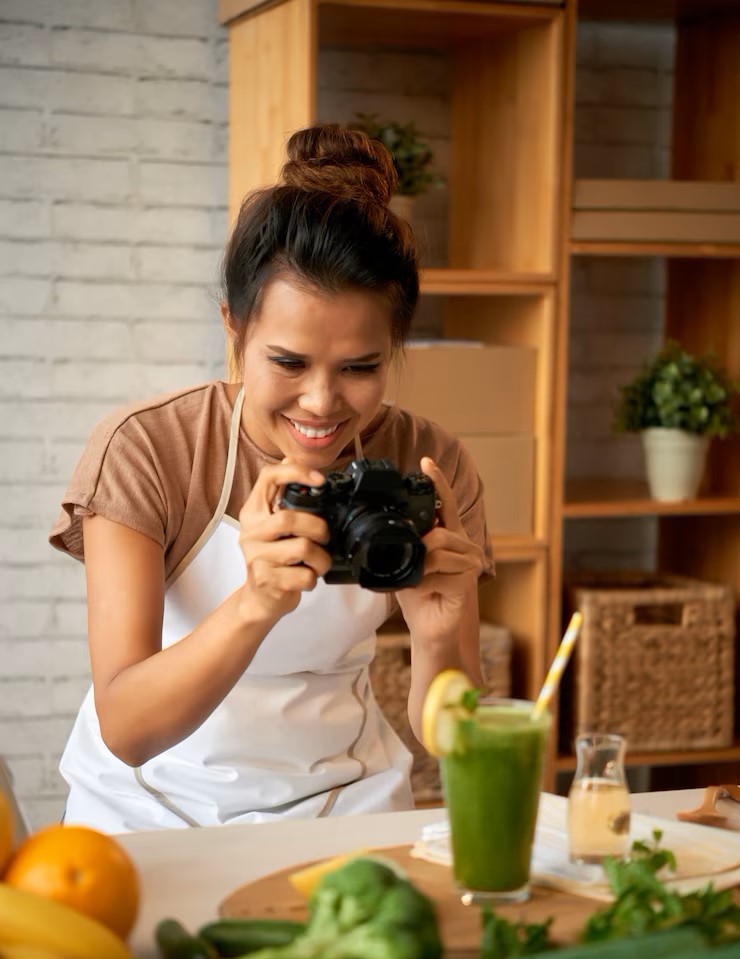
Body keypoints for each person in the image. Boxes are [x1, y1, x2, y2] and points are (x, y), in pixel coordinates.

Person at [49, 123, 494, 834]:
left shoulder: (427, 462)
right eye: (288, 363)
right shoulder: (150, 450)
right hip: (146, 811)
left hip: (343, 805)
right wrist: (256, 601)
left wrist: (440, 636)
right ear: (234, 327)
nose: (322, 403)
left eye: (361, 368)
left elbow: (451, 736)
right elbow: (127, 726)